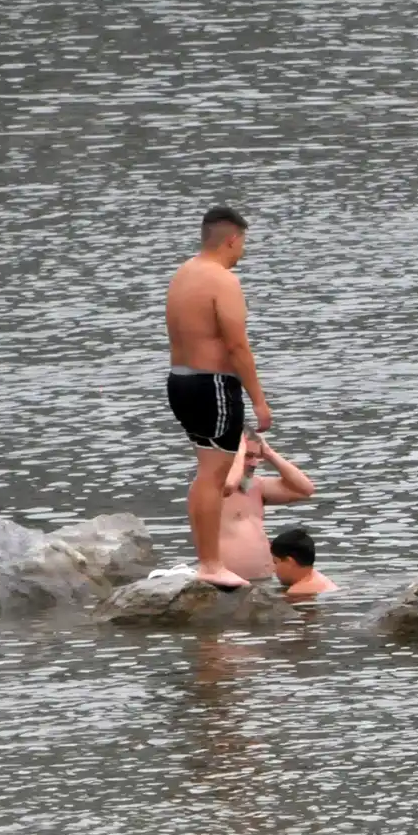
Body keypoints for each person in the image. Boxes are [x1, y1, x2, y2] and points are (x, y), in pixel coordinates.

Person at [165, 205, 272, 590]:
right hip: (212, 386)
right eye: (243, 243)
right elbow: (237, 345)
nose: (242, 251)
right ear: (232, 239)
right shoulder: (223, 281)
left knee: (204, 473)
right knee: (212, 476)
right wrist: (259, 400)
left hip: (180, 380)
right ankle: (211, 564)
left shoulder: (183, 274)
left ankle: (208, 561)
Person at [220, 430, 317, 580]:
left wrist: (269, 453)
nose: (254, 463)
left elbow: (305, 490)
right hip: (228, 586)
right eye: (248, 456)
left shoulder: (256, 487)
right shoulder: (210, 487)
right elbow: (228, 484)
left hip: (263, 582)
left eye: (257, 457)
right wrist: (237, 451)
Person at [270, 527, 337, 597]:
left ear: (289, 561)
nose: (273, 570)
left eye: (275, 562)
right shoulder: (318, 577)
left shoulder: (299, 591)